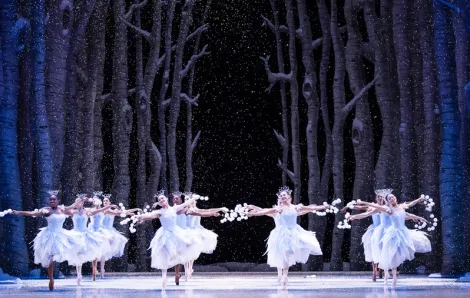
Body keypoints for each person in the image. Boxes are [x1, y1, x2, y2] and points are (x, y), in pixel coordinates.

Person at [247, 186, 324, 289]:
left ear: (289, 197)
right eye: (280, 196)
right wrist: (254, 211)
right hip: (280, 234)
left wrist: (320, 207)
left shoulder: (294, 207)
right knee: (280, 254)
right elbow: (263, 211)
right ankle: (281, 275)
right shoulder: (277, 210)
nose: (282, 198)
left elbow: (307, 209)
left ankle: (284, 275)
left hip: (293, 233)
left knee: (287, 253)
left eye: (284, 195)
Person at [12, 192, 85, 291]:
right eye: (51, 200)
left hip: (61, 235)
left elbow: (73, 205)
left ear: (57, 201)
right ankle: (51, 279)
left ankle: (77, 270)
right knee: (50, 258)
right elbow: (32, 213)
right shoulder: (47, 211)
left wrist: (83, 200)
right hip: (50, 235)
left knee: (73, 246)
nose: (52, 201)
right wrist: (19, 212)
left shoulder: (62, 209)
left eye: (54, 199)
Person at [356, 193, 429, 287]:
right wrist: (362, 202)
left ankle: (390, 274)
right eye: (389, 198)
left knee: (397, 253)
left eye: (393, 197)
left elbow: (409, 208)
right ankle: (392, 275)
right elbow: (373, 207)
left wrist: (419, 203)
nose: (392, 198)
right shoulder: (388, 210)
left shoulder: (402, 206)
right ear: (388, 201)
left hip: (403, 232)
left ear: (396, 198)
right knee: (391, 253)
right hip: (392, 233)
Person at [135, 191, 204, 290]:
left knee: (177, 252)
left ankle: (179, 273)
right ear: (159, 203)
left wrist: (194, 198)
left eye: (162, 198)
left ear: (166, 199)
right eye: (159, 200)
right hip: (164, 234)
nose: (161, 200)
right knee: (164, 254)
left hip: (175, 233)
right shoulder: (160, 212)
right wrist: (141, 216)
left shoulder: (174, 208)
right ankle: (164, 276)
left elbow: (185, 204)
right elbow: (151, 215)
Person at [69, 195, 114, 285]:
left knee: (83, 254)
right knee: (77, 254)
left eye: (80, 202)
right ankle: (79, 274)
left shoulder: (86, 211)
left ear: (82, 203)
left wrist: (107, 207)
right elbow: (64, 210)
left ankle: (94, 270)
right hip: (75, 234)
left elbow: (98, 211)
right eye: (77, 202)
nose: (78, 204)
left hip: (85, 234)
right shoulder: (73, 212)